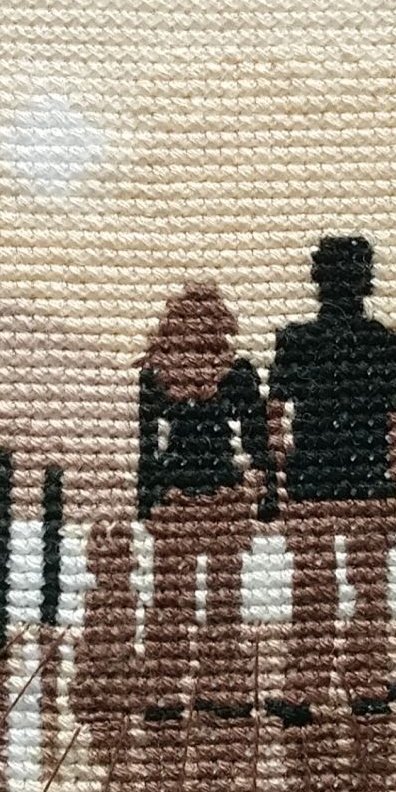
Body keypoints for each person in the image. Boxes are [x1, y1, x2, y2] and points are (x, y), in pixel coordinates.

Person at [267, 236, 396, 725]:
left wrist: (277, 467)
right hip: (369, 480)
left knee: (313, 589)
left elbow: (274, 418)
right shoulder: (386, 343)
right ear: (367, 282)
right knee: (370, 588)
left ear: (317, 281)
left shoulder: (294, 341)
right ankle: (367, 685)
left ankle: (302, 692)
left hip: (310, 479)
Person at [136, 284, 277, 723]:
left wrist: (146, 497)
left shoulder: (157, 373)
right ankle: (222, 689)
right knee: (222, 601)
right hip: (223, 495)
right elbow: (255, 440)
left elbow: (147, 448)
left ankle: (163, 691)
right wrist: (269, 488)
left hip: (176, 494)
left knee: (171, 600)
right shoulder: (237, 372)